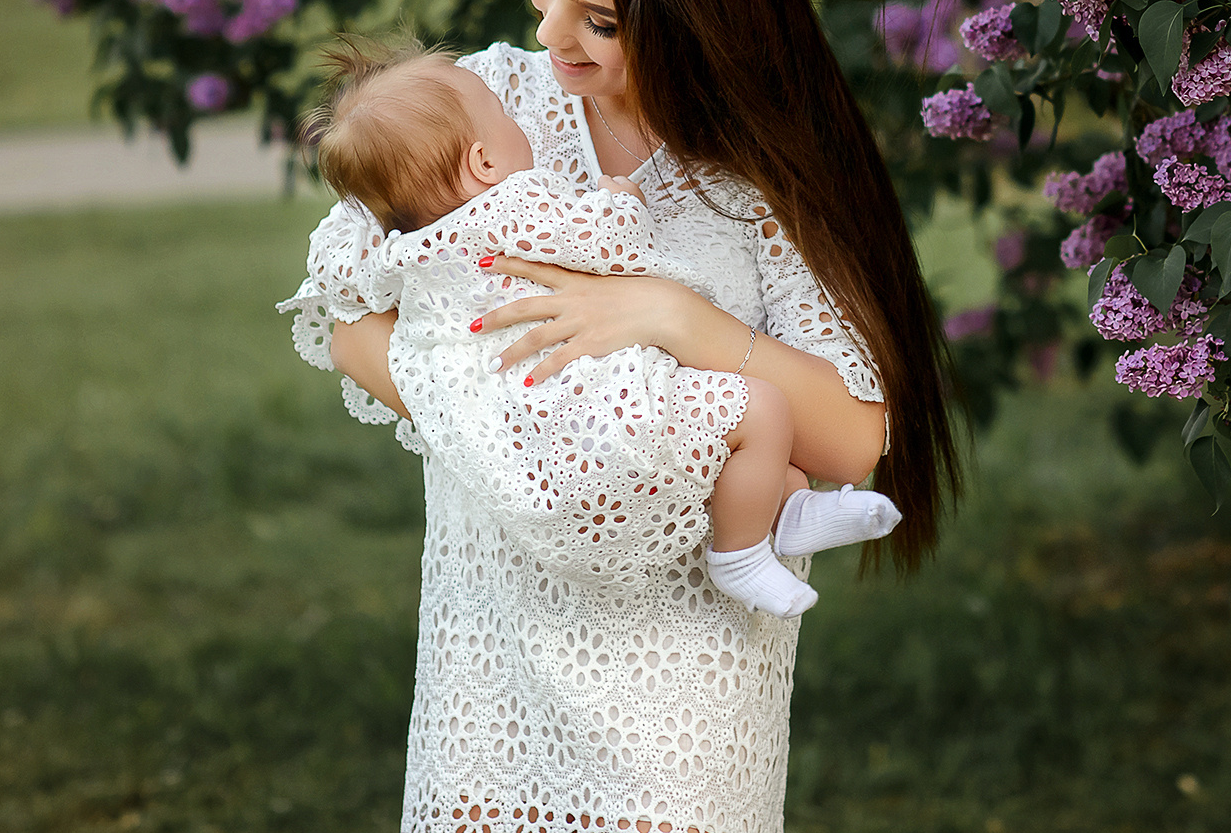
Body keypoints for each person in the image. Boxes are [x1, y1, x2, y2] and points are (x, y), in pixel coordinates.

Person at [282, 0, 960, 833]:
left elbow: (856, 438)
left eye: (597, 18)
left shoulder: (757, 181)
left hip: (679, 696)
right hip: (492, 663)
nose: (552, 34)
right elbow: (347, 319)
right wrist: (533, 438)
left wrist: (672, 317)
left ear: (697, 23)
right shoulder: (485, 99)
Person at [293, 35, 903, 617]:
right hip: (591, 417)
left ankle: (786, 506)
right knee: (757, 412)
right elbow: (607, 244)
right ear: (483, 160)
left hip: (547, 449)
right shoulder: (517, 203)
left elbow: (347, 280)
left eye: (598, 19)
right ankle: (742, 551)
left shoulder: (413, 241)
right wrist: (620, 201)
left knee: (730, 435)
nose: (548, 29)